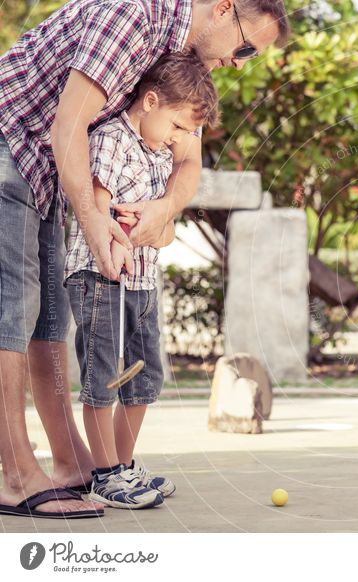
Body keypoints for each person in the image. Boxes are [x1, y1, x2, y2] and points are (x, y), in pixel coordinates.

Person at [0, 0, 288, 519]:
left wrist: (163, 211)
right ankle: (17, 473)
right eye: (245, 47)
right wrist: (94, 221)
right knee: (13, 311)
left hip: (48, 168)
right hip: (12, 140)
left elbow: (188, 162)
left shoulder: (186, 66)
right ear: (223, 9)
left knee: (48, 321)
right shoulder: (134, 16)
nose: (242, 62)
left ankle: (72, 465)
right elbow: (68, 126)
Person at [65, 51, 218, 510]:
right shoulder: (112, 139)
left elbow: (164, 230)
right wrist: (116, 245)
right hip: (102, 276)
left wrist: (158, 227)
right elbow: (96, 203)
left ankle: (125, 465)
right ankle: (104, 473)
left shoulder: (158, 157)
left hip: (143, 281)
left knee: (144, 373)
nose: (179, 141)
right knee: (105, 373)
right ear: (150, 101)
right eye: (176, 126)